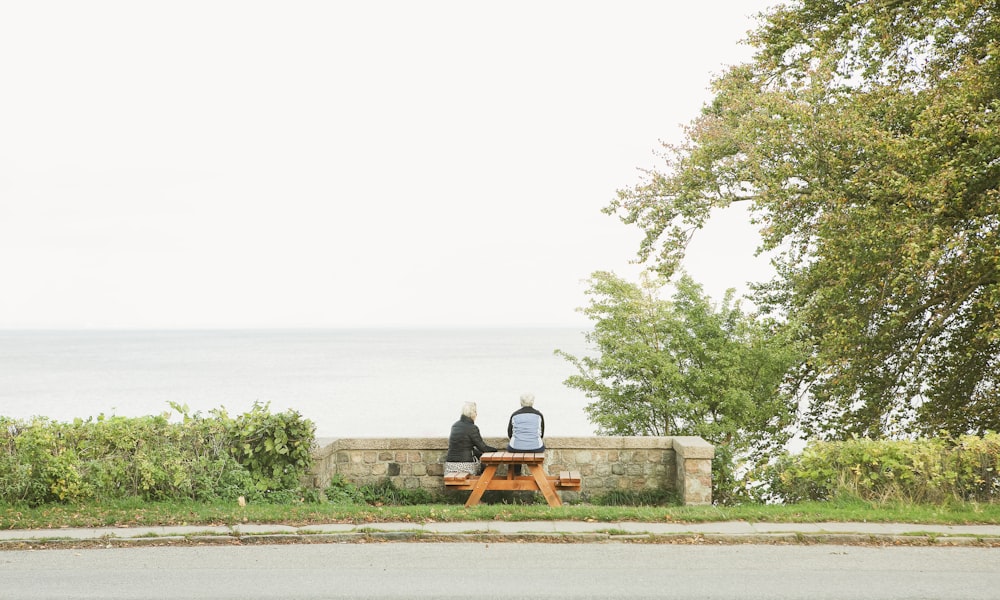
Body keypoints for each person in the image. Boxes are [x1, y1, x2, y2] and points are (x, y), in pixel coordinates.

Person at [444, 401, 497, 476]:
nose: (476, 414)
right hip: (465, 466)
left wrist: (479, 454)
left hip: (450, 465)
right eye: (476, 412)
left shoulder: (454, 426)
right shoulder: (472, 428)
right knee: (484, 467)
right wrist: (496, 450)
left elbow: (464, 446)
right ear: (472, 414)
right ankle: (482, 486)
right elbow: (483, 447)